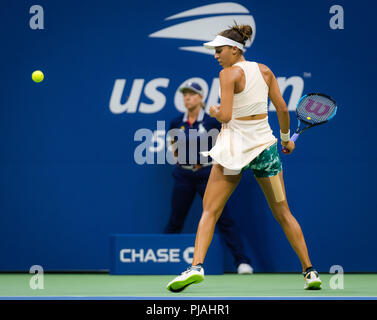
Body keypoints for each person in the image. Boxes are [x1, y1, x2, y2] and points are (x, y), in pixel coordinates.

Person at [166, 23, 322, 292]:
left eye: (219, 50)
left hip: (234, 151)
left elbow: (225, 115)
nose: (216, 55)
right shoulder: (265, 70)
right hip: (265, 148)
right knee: (283, 212)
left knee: (210, 211)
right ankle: (310, 272)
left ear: (235, 50)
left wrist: (213, 110)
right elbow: (283, 108)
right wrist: (285, 139)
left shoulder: (227, 74)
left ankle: (196, 267)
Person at [165, 81, 253, 274]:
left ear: (200, 97)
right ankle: (161, 262)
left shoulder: (212, 121)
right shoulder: (175, 122)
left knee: (222, 217)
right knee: (175, 219)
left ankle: (242, 262)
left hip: (208, 174)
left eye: (192, 94)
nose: (187, 97)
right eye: (185, 94)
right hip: (184, 175)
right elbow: (174, 147)